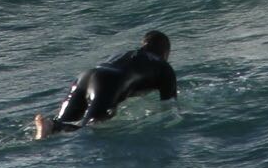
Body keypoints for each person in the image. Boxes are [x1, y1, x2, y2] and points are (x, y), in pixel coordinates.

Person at [34, 31, 177, 138]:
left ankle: (50, 126)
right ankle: (54, 127)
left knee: (63, 120)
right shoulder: (164, 67)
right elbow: (169, 106)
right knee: (91, 126)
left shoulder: (126, 53)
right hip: (109, 81)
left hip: (87, 75)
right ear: (166, 53)